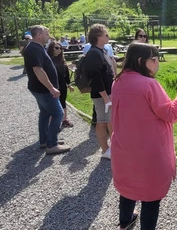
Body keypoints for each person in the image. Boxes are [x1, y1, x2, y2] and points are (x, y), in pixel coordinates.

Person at [111, 42, 177, 230]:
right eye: (155, 59)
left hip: (124, 149)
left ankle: (124, 224)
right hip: (148, 154)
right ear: (143, 61)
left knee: (127, 189)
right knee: (150, 199)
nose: (157, 63)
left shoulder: (118, 81)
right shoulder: (148, 85)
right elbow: (171, 113)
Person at [22, 25, 71, 155]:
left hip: (39, 88)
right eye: (46, 33)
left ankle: (45, 140)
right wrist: (52, 88)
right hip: (44, 89)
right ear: (39, 35)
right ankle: (51, 145)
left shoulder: (36, 47)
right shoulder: (34, 49)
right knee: (58, 114)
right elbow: (38, 70)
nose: (48, 35)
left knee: (44, 113)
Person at [83, 24, 116, 159]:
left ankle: (112, 146)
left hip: (107, 94)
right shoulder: (94, 53)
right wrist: (106, 98)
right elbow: (96, 78)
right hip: (101, 95)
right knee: (102, 121)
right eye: (106, 35)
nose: (109, 37)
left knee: (109, 120)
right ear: (98, 37)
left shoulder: (102, 50)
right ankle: (105, 150)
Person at [47, 42, 74, 128]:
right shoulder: (48, 60)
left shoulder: (62, 60)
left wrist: (69, 85)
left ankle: (64, 120)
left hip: (62, 85)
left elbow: (66, 73)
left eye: (60, 48)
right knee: (53, 104)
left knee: (63, 102)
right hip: (53, 85)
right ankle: (53, 124)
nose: (59, 50)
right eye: (57, 48)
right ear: (51, 48)